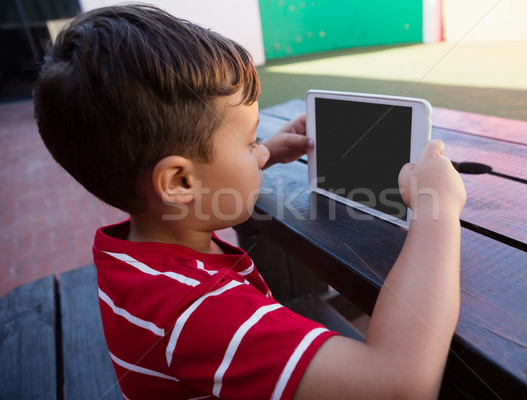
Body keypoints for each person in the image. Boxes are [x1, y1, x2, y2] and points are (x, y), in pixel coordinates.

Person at [34, 4, 466, 400]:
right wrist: (436, 210)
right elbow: (399, 385)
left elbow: (204, 182)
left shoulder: (137, 258)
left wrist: (265, 153)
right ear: (179, 181)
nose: (257, 148)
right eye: (248, 139)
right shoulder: (198, 310)